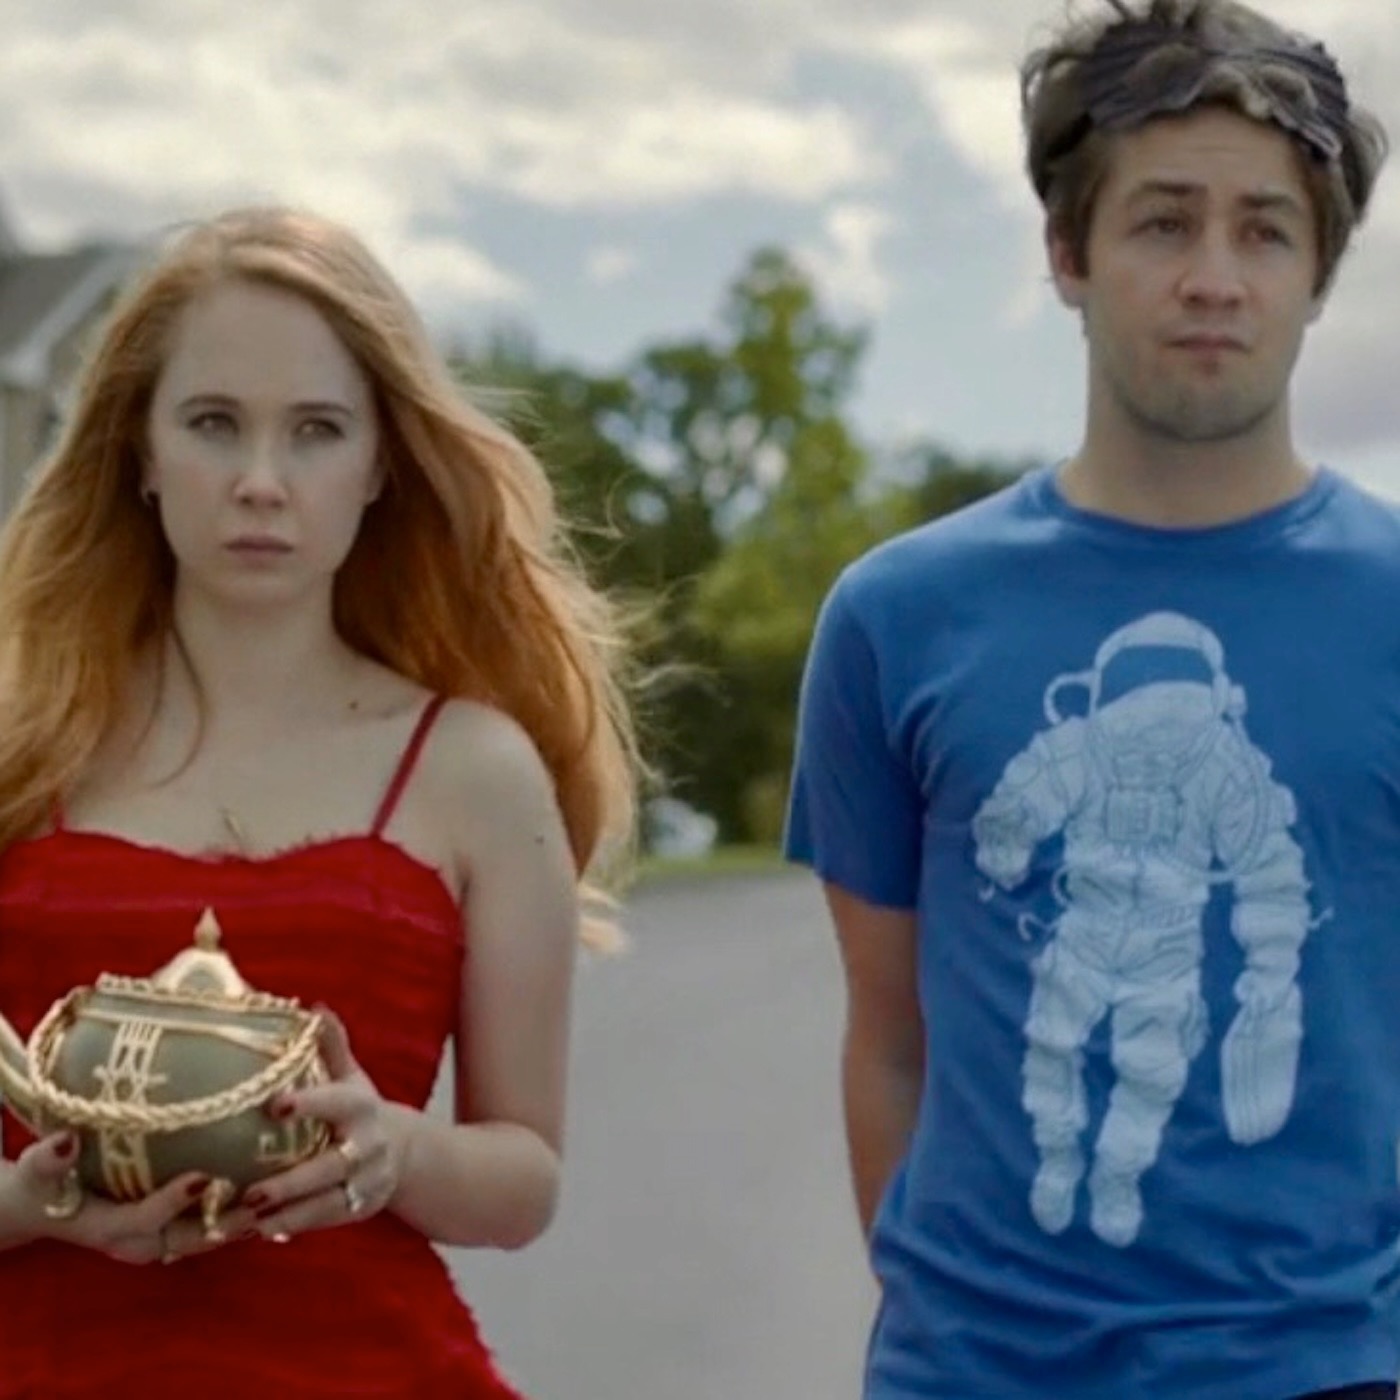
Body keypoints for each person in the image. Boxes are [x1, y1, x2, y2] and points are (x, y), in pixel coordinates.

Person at [785, 1, 1397, 1396]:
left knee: (1149, 1056)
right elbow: (888, 1036)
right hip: (976, 1365)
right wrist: (946, 1324)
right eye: (1162, 222)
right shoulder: (898, 616)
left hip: (1319, 1358)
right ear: (1067, 254)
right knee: (1067, 1055)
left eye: (1263, 231)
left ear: (1316, 273)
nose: (1212, 278)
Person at [0, 205, 640, 1396]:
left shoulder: (477, 770)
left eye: (316, 430)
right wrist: (28, 1205)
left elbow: (524, 1175)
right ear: (139, 452)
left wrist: (396, 1149)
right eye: (212, 423)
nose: (260, 481)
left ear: (380, 463)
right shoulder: (19, 749)